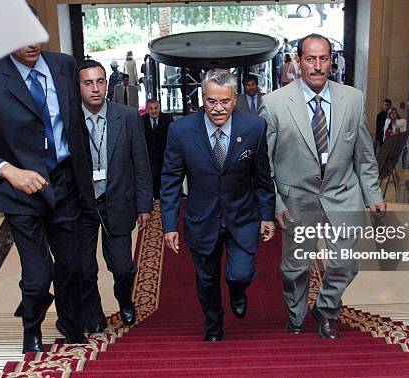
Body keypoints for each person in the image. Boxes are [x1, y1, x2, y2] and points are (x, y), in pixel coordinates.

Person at [0, 8, 94, 352]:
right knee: (37, 275)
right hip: (20, 190)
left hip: (64, 181)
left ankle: (71, 324)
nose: (33, 42)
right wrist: (9, 171)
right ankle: (31, 328)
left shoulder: (64, 66)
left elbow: (79, 122)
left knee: (73, 265)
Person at [259, 33, 385, 339]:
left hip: (343, 196)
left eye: (323, 58)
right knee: (295, 268)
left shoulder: (353, 99)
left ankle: (327, 309)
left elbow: (364, 155)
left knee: (345, 264)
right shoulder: (274, 104)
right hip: (296, 201)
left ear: (332, 61)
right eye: (310, 59)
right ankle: (297, 313)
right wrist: (276, 204)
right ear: (299, 61)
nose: (317, 66)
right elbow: (265, 164)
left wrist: (373, 195)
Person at [161, 68, 276, 342]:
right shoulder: (180, 130)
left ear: (235, 99)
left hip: (242, 216)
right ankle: (213, 327)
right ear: (203, 98)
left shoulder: (254, 128)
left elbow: (262, 177)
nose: (218, 108)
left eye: (224, 101)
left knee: (240, 273)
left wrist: (267, 215)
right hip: (202, 219)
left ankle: (237, 290)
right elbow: (170, 180)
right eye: (212, 101)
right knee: (207, 280)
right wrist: (168, 225)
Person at [77, 60, 153, 333]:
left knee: (122, 266)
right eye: (88, 83)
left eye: (100, 82)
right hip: (82, 205)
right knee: (85, 269)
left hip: (118, 201)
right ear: (79, 88)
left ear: (107, 85)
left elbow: (141, 163)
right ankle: (94, 313)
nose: (95, 89)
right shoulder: (71, 118)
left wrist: (145, 205)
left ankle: (125, 300)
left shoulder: (128, 116)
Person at [142, 98, 173, 199]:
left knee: (164, 182)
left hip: (164, 157)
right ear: (147, 109)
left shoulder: (167, 119)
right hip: (149, 158)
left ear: (159, 108)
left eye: (156, 108)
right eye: (151, 108)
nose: (154, 111)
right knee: (152, 181)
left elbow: (172, 139)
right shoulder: (142, 120)